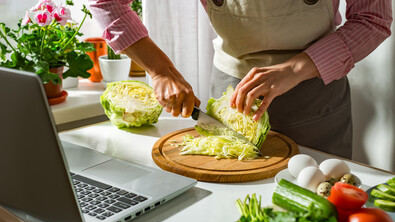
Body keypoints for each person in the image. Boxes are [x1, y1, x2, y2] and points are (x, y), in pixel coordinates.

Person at [87, 0, 392, 159]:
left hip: (315, 100)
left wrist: (296, 69)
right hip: (229, 93)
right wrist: (160, 70)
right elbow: (107, 2)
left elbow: (372, 18)